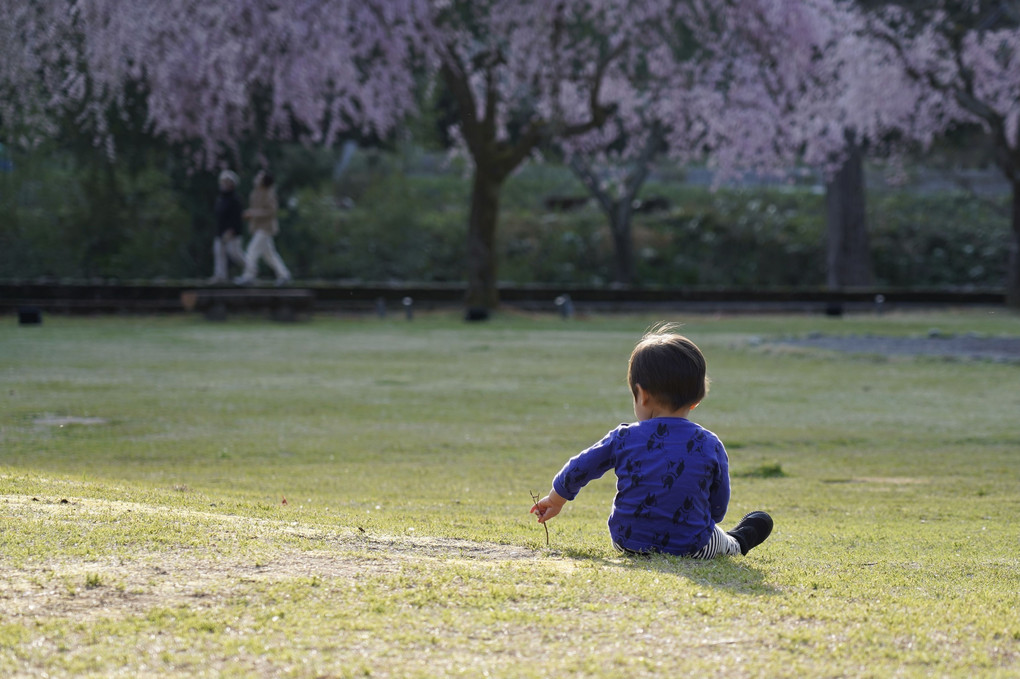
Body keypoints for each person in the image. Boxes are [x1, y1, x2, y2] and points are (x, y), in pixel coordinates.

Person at [530, 324, 773, 558]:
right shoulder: (710, 443)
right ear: (696, 399)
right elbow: (718, 507)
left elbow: (579, 468)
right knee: (719, 539)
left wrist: (555, 499)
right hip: (691, 546)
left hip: (627, 541)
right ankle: (738, 542)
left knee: (705, 533)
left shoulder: (623, 437)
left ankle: (725, 540)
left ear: (642, 395)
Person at [235, 170, 292, 286]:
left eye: (259, 177)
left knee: (252, 250)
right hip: (258, 227)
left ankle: (249, 275)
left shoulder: (269, 193)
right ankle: (284, 274)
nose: (256, 178)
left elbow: (271, 211)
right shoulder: (255, 192)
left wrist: (253, 213)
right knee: (269, 255)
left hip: (266, 228)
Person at [210, 170, 246, 282]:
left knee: (235, 253)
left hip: (232, 232)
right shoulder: (220, 198)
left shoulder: (236, 199)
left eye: (226, 182)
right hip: (220, 231)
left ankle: (250, 269)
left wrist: (231, 231)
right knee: (219, 252)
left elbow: (236, 218)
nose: (224, 184)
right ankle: (220, 275)